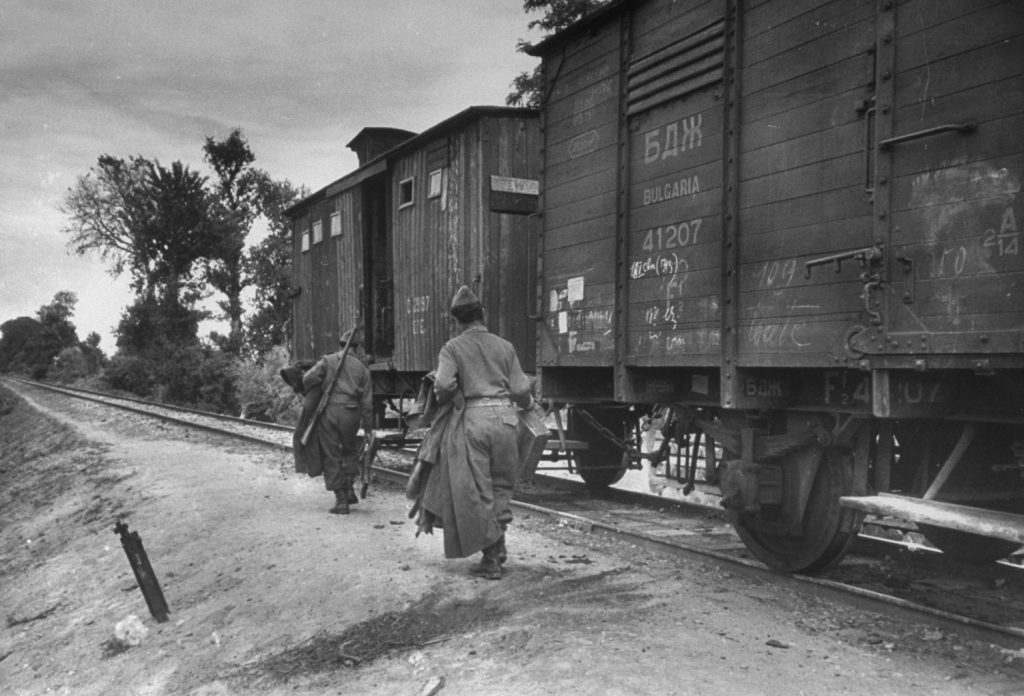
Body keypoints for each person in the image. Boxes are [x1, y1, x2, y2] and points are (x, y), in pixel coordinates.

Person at [420, 285, 532, 579]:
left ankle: (492, 559)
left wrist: (451, 398)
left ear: (457, 321)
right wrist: (526, 403)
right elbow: (521, 389)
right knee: (502, 486)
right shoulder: (505, 346)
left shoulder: (453, 348)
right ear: (483, 315)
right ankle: (499, 547)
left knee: (480, 490)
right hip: (507, 420)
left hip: (474, 421)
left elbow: (443, 386)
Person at [297, 328, 374, 515]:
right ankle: (349, 491)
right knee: (350, 450)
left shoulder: (328, 360)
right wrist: (368, 428)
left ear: (340, 345)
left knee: (331, 454)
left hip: (329, 412)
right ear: (358, 348)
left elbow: (307, 379)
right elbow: (367, 404)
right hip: (352, 413)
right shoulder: (363, 369)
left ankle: (341, 501)